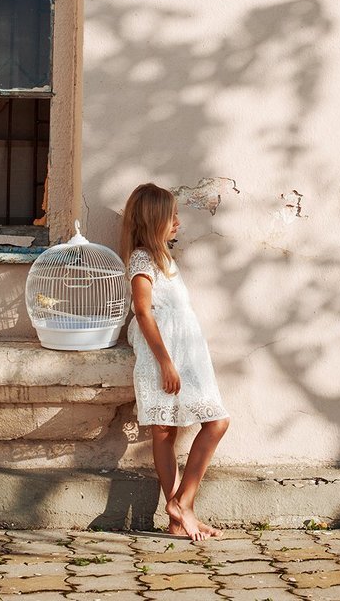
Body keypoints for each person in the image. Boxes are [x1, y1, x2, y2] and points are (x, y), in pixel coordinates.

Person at [121, 182, 230, 541]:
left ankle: (181, 509)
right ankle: (180, 511)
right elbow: (143, 312)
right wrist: (166, 363)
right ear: (154, 220)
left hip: (188, 353)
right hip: (163, 354)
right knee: (165, 431)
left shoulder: (163, 259)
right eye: (172, 217)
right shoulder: (141, 260)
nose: (178, 223)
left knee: (216, 422)